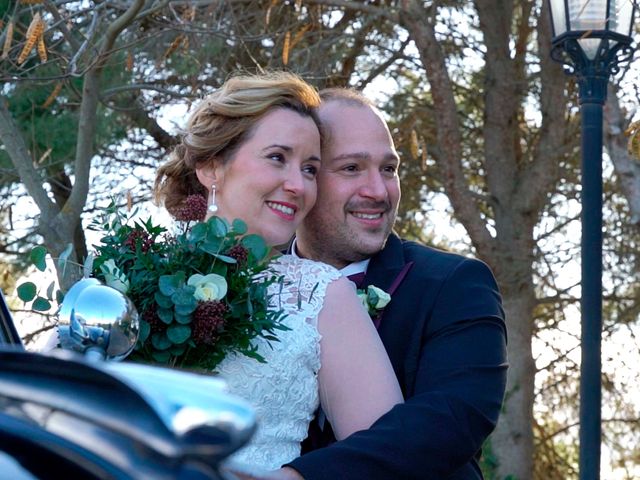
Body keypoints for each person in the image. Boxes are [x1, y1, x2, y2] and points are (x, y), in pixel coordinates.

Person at [153, 73, 403, 476]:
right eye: (277, 158)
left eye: (309, 169)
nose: (297, 185)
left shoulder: (321, 295)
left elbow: (387, 454)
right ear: (212, 167)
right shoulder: (130, 274)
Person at [276, 89, 508, 480]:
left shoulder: (456, 285)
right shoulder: (245, 288)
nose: (379, 192)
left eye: (388, 169)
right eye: (351, 168)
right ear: (306, 177)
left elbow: (449, 422)